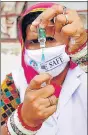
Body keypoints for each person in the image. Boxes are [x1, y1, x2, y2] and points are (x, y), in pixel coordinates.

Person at [1, 2, 87, 135]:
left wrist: (83, 51)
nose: (44, 48)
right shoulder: (12, 83)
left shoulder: (84, 74)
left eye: (51, 39)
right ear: (23, 46)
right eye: (34, 42)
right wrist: (23, 122)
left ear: (69, 40)